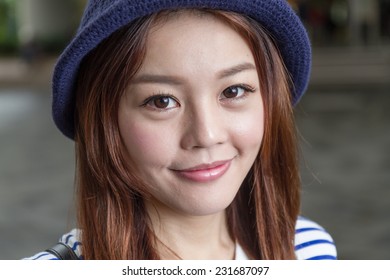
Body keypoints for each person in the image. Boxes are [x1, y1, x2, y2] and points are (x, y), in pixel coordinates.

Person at [25, 0, 337, 260]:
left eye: (234, 91)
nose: (206, 135)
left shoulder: (308, 249)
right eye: (161, 101)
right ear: (105, 121)